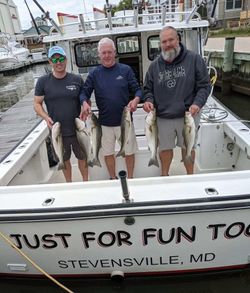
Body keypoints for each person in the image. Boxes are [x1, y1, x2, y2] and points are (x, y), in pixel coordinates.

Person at [143, 26, 211, 176]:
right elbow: (147, 89)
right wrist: (148, 100)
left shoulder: (194, 59)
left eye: (171, 40)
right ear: (160, 44)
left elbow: (204, 85)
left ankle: (190, 176)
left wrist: (197, 104)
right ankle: (165, 175)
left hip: (188, 115)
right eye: (164, 41)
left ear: (178, 39)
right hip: (163, 117)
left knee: (188, 148)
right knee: (165, 149)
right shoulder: (154, 66)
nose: (167, 44)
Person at [80, 37, 142, 179]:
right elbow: (84, 93)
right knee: (108, 153)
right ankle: (113, 178)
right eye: (103, 53)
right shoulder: (94, 74)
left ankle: (130, 178)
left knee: (129, 152)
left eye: (109, 52)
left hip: (125, 122)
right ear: (99, 55)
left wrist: (136, 100)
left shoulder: (125, 70)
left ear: (115, 53)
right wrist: (84, 102)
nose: (107, 55)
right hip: (104, 124)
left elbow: (138, 90)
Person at [34, 45, 88, 182]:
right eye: (55, 59)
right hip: (57, 131)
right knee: (65, 160)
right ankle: (69, 184)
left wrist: (85, 108)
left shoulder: (76, 79)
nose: (59, 62)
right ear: (50, 62)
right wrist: (45, 117)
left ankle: (86, 182)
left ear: (66, 60)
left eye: (61, 58)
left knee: (83, 157)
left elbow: (85, 100)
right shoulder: (43, 82)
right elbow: (37, 104)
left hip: (77, 129)